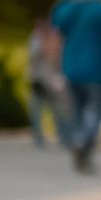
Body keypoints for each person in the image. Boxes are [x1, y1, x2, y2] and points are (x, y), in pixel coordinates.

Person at [51, 0, 101, 171]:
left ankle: (84, 155)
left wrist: (54, 65)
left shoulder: (63, 7)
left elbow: (54, 39)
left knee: (78, 114)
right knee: (97, 112)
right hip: (94, 68)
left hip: (70, 66)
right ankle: (82, 142)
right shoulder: (100, 7)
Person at [25, 9, 66, 150]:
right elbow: (35, 55)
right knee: (36, 110)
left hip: (52, 80)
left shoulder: (56, 38)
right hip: (37, 80)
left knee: (57, 110)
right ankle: (38, 137)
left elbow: (57, 58)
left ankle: (62, 136)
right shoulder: (36, 39)